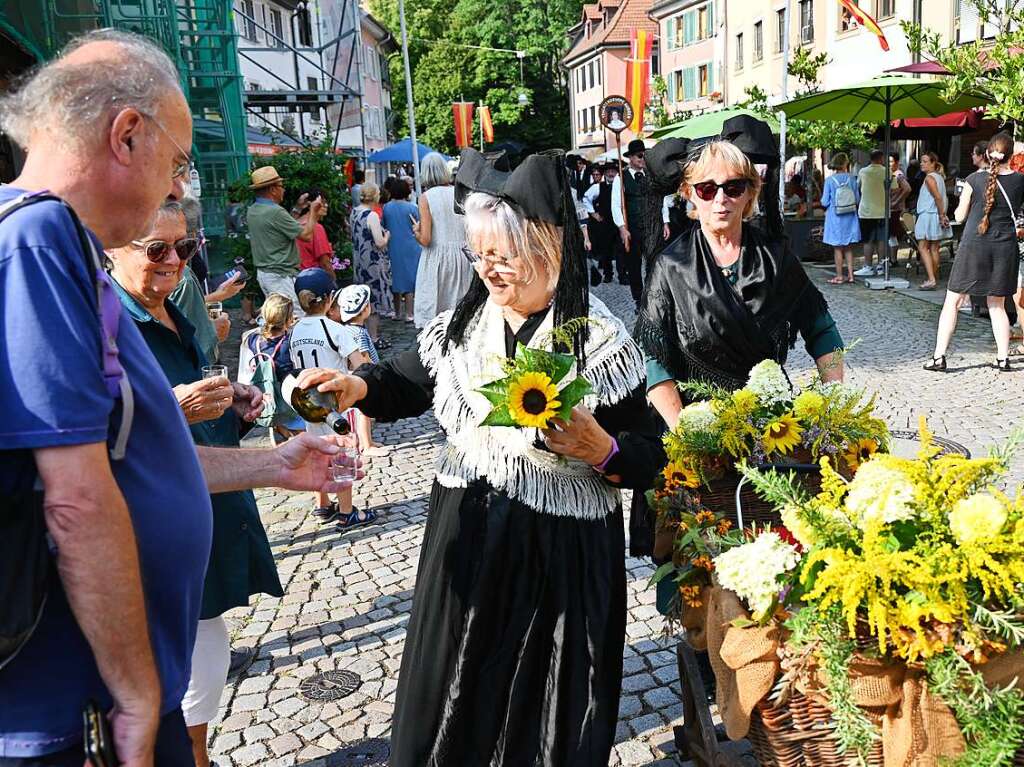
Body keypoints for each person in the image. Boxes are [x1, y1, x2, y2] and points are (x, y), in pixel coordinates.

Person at [0, 29, 356, 766]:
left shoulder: (64, 247)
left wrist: (273, 466)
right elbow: (75, 498)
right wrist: (135, 693)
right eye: (178, 160)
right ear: (127, 135)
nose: (175, 186)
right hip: (77, 707)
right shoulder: (38, 243)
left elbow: (135, 465)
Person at [297, 147, 663, 766]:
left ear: (548, 245)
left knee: (544, 708)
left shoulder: (601, 341)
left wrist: (602, 449)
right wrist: (357, 386)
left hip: (562, 554)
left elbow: (654, 454)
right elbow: (406, 381)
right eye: (479, 254)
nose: (488, 270)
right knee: (455, 693)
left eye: (503, 255)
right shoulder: (461, 328)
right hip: (466, 534)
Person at [106, 202, 283, 767]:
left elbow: (190, 398)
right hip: (148, 530)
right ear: (112, 247)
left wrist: (236, 404)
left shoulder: (170, 309)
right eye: (156, 249)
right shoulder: (103, 320)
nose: (175, 262)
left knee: (205, 658)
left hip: (204, 508)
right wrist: (170, 410)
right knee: (177, 676)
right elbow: (84, 431)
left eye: (184, 248)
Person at [637, 119, 844, 436]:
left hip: (772, 425)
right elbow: (655, 360)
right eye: (707, 189)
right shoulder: (670, 266)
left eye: (733, 188)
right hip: (700, 427)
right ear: (689, 193)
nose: (720, 199)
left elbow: (822, 330)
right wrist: (685, 433)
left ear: (751, 192)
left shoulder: (775, 258)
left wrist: (834, 402)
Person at [925, 132, 1024, 372]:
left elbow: (959, 215)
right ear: (1011, 155)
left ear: (988, 153)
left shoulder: (973, 179)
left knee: (953, 301)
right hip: (1004, 247)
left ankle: (939, 357)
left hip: (973, 246)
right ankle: (1002, 358)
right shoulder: (1021, 181)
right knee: (997, 304)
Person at [290, 268, 377, 528]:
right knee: (342, 454)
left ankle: (323, 504)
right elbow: (359, 365)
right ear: (330, 299)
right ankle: (347, 511)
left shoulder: (294, 331)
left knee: (318, 451)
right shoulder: (335, 329)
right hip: (336, 402)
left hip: (309, 403)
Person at [170, 195, 241, 363]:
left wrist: (217, 296)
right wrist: (212, 330)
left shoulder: (182, 272)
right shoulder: (182, 276)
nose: (171, 259)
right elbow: (179, 321)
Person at [246, 166, 325, 317]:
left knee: (280, 317)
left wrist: (297, 208)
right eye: (281, 186)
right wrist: (313, 212)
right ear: (273, 190)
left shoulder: (254, 209)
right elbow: (306, 235)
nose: (284, 190)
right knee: (295, 318)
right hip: (280, 275)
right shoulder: (275, 212)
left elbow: (281, 226)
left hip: (266, 273)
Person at [412, 152, 474, 328]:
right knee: (459, 310)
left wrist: (416, 232)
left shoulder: (426, 198)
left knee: (435, 312)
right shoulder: (460, 193)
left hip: (437, 259)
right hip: (462, 256)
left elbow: (426, 239)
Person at [611, 139, 673, 308]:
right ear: (630, 157)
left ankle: (651, 295)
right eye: (639, 156)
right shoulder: (621, 178)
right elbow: (616, 205)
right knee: (634, 264)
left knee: (654, 262)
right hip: (633, 227)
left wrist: (665, 222)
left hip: (653, 226)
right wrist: (622, 228)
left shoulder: (652, 175)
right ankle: (639, 298)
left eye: (644, 156)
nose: (642, 159)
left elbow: (662, 200)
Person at [238, 293, 304, 443]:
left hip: (265, 398)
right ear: (288, 319)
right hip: (288, 399)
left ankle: (280, 431)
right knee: (301, 434)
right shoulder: (290, 341)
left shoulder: (251, 339)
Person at [335, 284, 389, 457]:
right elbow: (363, 356)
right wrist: (376, 370)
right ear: (365, 308)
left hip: (352, 375)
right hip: (363, 376)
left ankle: (368, 441)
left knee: (361, 410)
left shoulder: (345, 329)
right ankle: (366, 445)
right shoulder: (359, 333)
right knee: (365, 411)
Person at [350, 182, 394, 347]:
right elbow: (380, 242)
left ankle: (366, 337)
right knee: (374, 300)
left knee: (364, 299)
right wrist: (387, 236)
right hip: (373, 262)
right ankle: (374, 338)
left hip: (359, 261)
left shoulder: (354, 212)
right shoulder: (372, 215)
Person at [382, 178, 421, 322]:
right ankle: (409, 313)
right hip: (410, 246)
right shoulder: (412, 207)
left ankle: (397, 312)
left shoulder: (386, 208)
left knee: (395, 279)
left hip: (392, 245)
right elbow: (419, 225)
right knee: (409, 280)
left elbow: (384, 225)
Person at [914, 151, 953, 290]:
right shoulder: (940, 177)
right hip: (935, 214)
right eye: (921, 161)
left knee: (923, 247)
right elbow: (942, 198)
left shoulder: (929, 178)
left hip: (928, 215)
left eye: (925, 161)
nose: (921, 164)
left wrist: (942, 215)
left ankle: (931, 279)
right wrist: (942, 214)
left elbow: (937, 197)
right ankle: (933, 277)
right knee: (934, 248)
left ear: (932, 163)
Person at [820, 152, 861, 284]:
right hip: (850, 215)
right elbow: (857, 198)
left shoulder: (830, 181)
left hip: (835, 216)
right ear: (845, 164)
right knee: (848, 247)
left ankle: (839, 275)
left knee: (837, 247)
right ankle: (851, 275)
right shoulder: (852, 179)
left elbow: (824, 201)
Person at [854, 149, 896, 277]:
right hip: (883, 210)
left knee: (868, 240)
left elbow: (858, 187)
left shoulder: (863, 172)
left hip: (866, 211)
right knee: (882, 239)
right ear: (881, 158)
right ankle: (881, 265)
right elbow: (894, 188)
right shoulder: (887, 171)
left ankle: (867, 265)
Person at [583, 161, 620, 283]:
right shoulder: (598, 187)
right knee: (606, 250)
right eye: (608, 171)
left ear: (617, 172)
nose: (611, 173)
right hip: (605, 223)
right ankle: (608, 274)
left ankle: (622, 274)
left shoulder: (621, 186)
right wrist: (593, 213)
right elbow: (586, 198)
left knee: (621, 250)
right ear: (605, 173)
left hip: (619, 222)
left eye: (613, 171)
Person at [295, 188, 335, 276]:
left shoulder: (295, 223)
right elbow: (325, 263)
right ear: (310, 205)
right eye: (322, 202)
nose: (326, 205)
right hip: (313, 277)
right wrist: (334, 281)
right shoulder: (316, 228)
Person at [888, 152, 912, 257]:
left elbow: (907, 189)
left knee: (892, 235)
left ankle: (893, 259)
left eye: (891, 161)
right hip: (892, 208)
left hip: (895, 209)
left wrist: (896, 201)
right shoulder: (890, 174)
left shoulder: (898, 174)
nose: (889, 164)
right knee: (891, 235)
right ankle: (892, 258)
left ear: (896, 162)